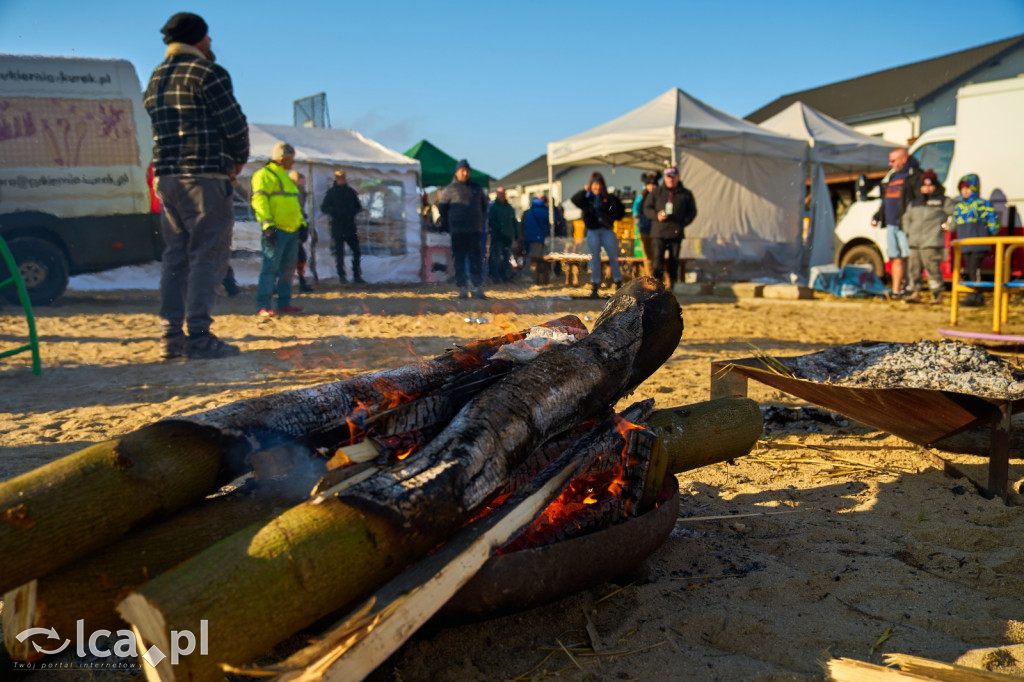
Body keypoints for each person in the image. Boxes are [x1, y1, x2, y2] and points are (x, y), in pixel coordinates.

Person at [145, 12, 249, 360]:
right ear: (200, 39)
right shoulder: (208, 72)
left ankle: (170, 337)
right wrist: (239, 157)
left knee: (175, 257)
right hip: (205, 176)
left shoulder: (156, 77)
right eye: (208, 39)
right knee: (208, 254)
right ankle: (200, 336)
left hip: (168, 178)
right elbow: (234, 123)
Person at [252, 142, 305, 316]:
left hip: (291, 230)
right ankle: (263, 305)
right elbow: (259, 201)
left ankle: (284, 303)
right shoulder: (264, 175)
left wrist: (302, 224)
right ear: (282, 158)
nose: (293, 162)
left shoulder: (286, 177)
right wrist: (267, 226)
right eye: (291, 158)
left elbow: (294, 205)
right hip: (276, 229)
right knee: (270, 268)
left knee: (288, 269)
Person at [871, 147, 922, 297]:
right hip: (891, 224)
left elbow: (918, 200)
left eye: (893, 160)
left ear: (903, 160)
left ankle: (911, 287)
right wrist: (878, 216)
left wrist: (911, 219)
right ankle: (896, 290)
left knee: (909, 256)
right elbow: (887, 200)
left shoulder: (914, 175)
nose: (890, 163)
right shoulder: (893, 177)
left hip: (905, 224)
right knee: (895, 257)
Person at [902, 169, 955, 304]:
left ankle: (937, 295)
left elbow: (956, 215)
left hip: (931, 241)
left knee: (932, 268)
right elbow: (906, 218)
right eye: (924, 185)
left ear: (936, 185)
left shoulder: (943, 201)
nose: (927, 188)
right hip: (915, 242)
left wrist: (949, 226)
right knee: (913, 268)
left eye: (930, 185)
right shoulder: (914, 202)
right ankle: (915, 292)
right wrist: (908, 231)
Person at [438, 159, 489, 299]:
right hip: (458, 230)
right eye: (462, 171)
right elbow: (442, 207)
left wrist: (479, 220)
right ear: (457, 172)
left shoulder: (477, 188)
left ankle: (477, 287)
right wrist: (448, 222)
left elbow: (484, 206)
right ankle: (462, 288)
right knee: (459, 259)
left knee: (476, 259)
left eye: (467, 171)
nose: (465, 173)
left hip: (474, 230)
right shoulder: (449, 189)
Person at [571, 172, 625, 299]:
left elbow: (620, 211)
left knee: (613, 257)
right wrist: (585, 192)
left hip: (607, 230)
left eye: (599, 185)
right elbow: (575, 200)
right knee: (594, 258)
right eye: (595, 185)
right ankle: (595, 286)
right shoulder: (587, 198)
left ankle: (618, 284)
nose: (598, 188)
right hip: (593, 230)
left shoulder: (608, 198)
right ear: (591, 185)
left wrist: (610, 213)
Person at [643, 166, 697, 289]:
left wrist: (683, 222)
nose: (670, 180)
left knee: (674, 259)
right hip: (659, 231)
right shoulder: (657, 192)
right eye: (668, 177)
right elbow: (646, 208)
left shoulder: (686, 194)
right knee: (658, 259)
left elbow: (692, 211)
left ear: (678, 177)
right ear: (665, 178)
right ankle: (657, 286)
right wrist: (656, 215)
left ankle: (672, 284)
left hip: (675, 231)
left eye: (673, 177)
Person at [952, 173, 1000, 307]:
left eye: (968, 188)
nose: (965, 191)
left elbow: (992, 220)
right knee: (968, 269)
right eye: (962, 189)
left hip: (979, 242)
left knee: (975, 268)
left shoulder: (983, 204)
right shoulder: (959, 206)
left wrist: (992, 233)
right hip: (965, 243)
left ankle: (976, 294)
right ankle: (973, 292)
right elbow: (955, 222)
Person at [321, 168, 364, 284]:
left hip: (350, 226)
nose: (341, 180)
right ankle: (342, 276)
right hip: (337, 226)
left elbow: (358, 206)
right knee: (340, 253)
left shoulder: (350, 192)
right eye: (339, 178)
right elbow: (324, 207)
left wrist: (352, 212)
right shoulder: (332, 193)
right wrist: (334, 211)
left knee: (356, 251)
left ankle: (356, 275)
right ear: (336, 179)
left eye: (343, 178)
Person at [288, 169, 314, 293]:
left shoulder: (301, 193)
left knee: (300, 257)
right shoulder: (292, 193)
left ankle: (302, 280)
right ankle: (299, 281)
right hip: (291, 228)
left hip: (298, 226)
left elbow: (301, 212)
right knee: (293, 257)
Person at [487, 187, 518, 283]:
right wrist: (498, 228)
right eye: (500, 193)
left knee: (507, 256)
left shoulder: (509, 207)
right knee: (496, 257)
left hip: (508, 236)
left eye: (503, 193)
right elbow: (491, 220)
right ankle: (495, 277)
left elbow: (514, 221)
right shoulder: (494, 207)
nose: (502, 195)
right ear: (497, 194)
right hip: (498, 236)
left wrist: (516, 233)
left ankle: (506, 276)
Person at [633, 172, 660, 277]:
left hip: (656, 231)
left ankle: (652, 278)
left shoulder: (659, 197)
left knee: (656, 256)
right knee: (647, 256)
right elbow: (635, 213)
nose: (652, 187)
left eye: (654, 184)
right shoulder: (641, 198)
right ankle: (650, 278)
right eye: (650, 184)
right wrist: (641, 226)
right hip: (644, 230)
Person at [521, 195, 552, 285]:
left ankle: (534, 276)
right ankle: (530, 275)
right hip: (539, 237)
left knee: (532, 257)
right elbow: (548, 223)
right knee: (536, 257)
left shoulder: (530, 212)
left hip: (531, 237)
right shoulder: (543, 211)